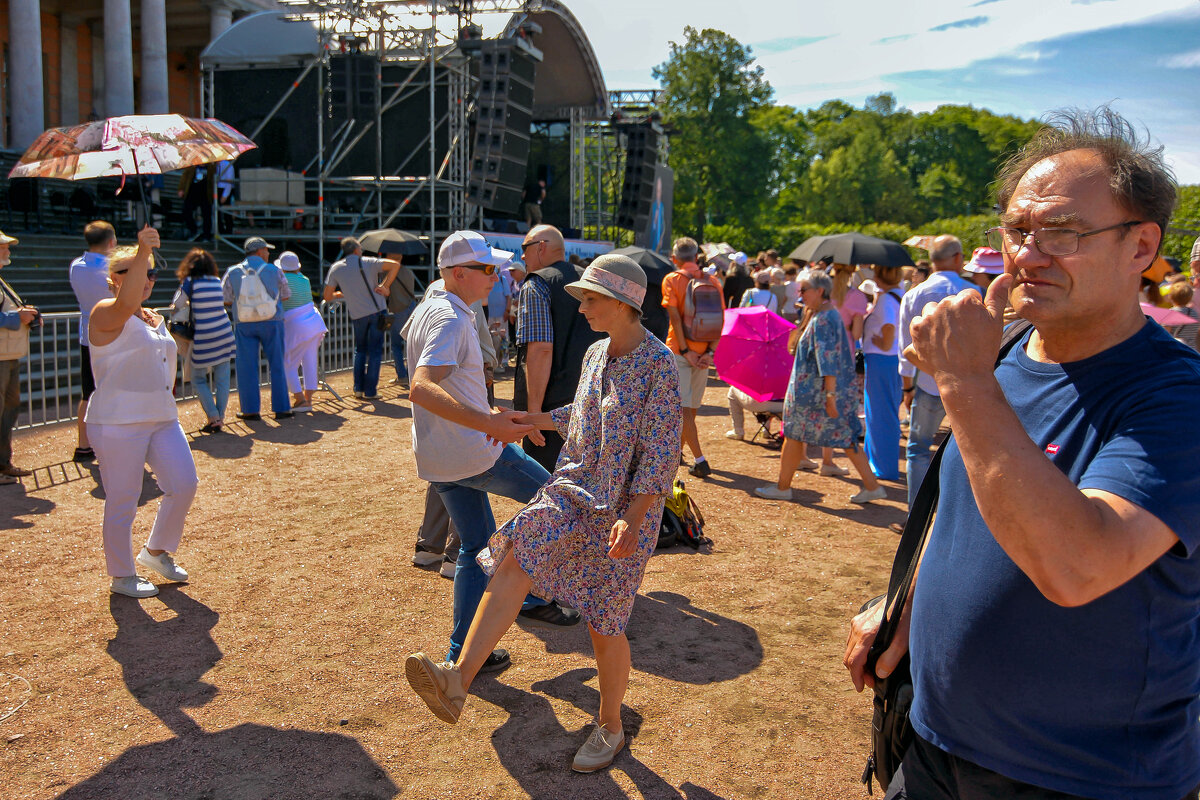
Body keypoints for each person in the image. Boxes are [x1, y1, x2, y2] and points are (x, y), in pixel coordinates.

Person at [845, 108, 1200, 800]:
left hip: (1083, 777)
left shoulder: (1176, 398)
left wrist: (964, 382)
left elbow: (1078, 566)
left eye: (1062, 233)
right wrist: (906, 604)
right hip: (932, 745)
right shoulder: (1003, 355)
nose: (1027, 255)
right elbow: (964, 507)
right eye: (1017, 230)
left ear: (1141, 247)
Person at [405, 253, 681, 774]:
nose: (582, 310)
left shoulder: (660, 364)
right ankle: (458, 681)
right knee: (516, 554)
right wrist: (530, 420)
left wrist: (637, 514)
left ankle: (611, 725)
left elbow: (662, 453)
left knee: (605, 622)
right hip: (574, 488)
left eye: (591, 300)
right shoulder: (598, 354)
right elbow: (580, 417)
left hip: (624, 509)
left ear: (623, 304)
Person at [403, 230, 580, 672]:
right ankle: (532, 594)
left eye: (496, 269)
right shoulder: (453, 318)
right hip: (475, 453)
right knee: (559, 503)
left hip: (441, 457)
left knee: (475, 547)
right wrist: (491, 424)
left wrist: (491, 412)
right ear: (458, 273)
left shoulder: (432, 308)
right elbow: (421, 388)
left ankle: (464, 653)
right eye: (487, 270)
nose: (496, 278)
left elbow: (447, 383)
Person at [86, 227, 198, 598]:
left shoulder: (152, 316)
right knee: (123, 498)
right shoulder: (105, 311)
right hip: (117, 422)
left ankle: (155, 551)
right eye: (134, 270)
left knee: (184, 484)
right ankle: (121, 574)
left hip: (161, 417)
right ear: (112, 280)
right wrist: (142, 250)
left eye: (150, 271)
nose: (146, 277)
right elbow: (122, 306)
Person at [755, 268, 884, 504]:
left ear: (820, 291)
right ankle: (871, 485)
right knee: (842, 437)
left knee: (796, 434)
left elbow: (827, 361)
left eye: (803, 290)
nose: (800, 295)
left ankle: (783, 488)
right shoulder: (825, 315)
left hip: (813, 394)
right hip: (818, 392)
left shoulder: (824, 319)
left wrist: (830, 396)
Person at [896, 234, 977, 509]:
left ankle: (915, 513)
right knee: (967, 452)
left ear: (931, 261)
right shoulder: (973, 292)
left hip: (927, 384)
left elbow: (904, 349)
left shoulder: (912, 294)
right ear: (957, 258)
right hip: (967, 385)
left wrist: (907, 388)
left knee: (918, 449)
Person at [513, 224, 603, 472]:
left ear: (541, 247)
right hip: (592, 402)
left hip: (552, 408)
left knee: (547, 490)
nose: (522, 256)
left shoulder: (537, 284)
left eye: (525, 248)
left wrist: (533, 414)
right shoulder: (590, 280)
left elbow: (541, 349)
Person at [663, 236, 723, 478]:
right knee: (691, 407)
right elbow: (720, 319)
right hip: (704, 352)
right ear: (696, 257)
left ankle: (700, 459)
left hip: (681, 351)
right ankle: (677, 453)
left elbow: (675, 317)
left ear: (675, 258)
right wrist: (709, 352)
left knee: (682, 409)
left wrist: (686, 351)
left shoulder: (673, 279)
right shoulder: (713, 281)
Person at [223, 237, 292, 420]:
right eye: (267, 250)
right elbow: (286, 294)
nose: (268, 253)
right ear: (260, 251)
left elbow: (226, 298)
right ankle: (282, 408)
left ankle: (251, 410)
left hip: (244, 322)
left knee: (246, 367)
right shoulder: (274, 270)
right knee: (277, 364)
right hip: (272, 320)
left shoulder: (233, 271)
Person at [323, 237, 400, 401]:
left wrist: (343, 293)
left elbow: (327, 296)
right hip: (376, 312)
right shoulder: (368, 262)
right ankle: (370, 391)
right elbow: (395, 265)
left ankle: (358, 388)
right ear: (357, 249)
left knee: (360, 350)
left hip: (357, 314)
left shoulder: (336, 268)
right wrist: (385, 286)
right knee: (375, 351)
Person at [68, 220, 117, 462]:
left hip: (87, 334)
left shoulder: (76, 266)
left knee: (88, 393)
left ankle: (83, 444)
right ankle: (112, 444)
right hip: (112, 334)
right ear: (111, 241)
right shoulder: (112, 268)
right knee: (114, 391)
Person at [177, 248, 235, 432]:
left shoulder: (190, 282)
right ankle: (220, 416)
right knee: (223, 379)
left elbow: (177, 303)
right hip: (224, 333)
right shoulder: (216, 281)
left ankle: (213, 416)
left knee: (198, 378)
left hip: (204, 336)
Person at [0, 231, 37, 486]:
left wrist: (29, 315)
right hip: (2, 357)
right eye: (3, 247)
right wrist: (18, 318)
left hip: (8, 355)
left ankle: (3, 463)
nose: (8, 251)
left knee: (9, 410)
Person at [861, 265, 904, 482]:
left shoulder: (887, 299)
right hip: (888, 360)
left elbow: (888, 329)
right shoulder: (896, 294)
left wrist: (881, 342)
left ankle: (883, 466)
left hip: (882, 359)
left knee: (881, 413)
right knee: (880, 412)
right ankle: (875, 460)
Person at [278, 251, 326, 412]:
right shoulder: (304, 279)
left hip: (296, 324)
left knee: (288, 363)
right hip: (314, 321)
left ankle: (300, 399)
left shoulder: (281, 280)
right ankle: (308, 399)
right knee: (310, 361)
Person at [384, 250, 418, 388]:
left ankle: (402, 375)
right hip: (411, 308)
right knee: (411, 344)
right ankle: (411, 374)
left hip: (397, 310)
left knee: (396, 345)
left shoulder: (388, 275)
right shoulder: (408, 272)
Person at [1166, 281, 1199, 351]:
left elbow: (1164, 334)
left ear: (1171, 296)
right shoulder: (1195, 314)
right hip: (1192, 350)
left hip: (1177, 350)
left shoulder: (1170, 314)